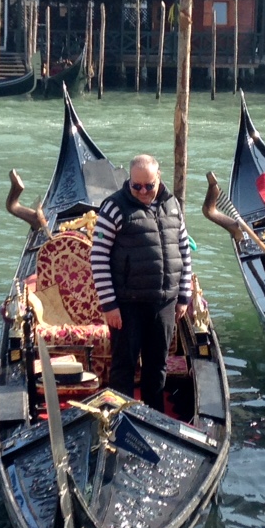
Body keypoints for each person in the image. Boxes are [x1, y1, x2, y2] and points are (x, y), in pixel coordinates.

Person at [90, 154, 193, 418]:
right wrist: (109, 304)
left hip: (164, 302)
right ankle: (118, 420)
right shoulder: (114, 207)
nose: (143, 192)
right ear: (129, 182)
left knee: (157, 366)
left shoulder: (173, 205)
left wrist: (184, 295)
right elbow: (98, 256)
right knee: (123, 368)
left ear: (159, 177)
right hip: (127, 305)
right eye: (137, 186)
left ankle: (154, 419)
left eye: (149, 185)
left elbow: (183, 251)